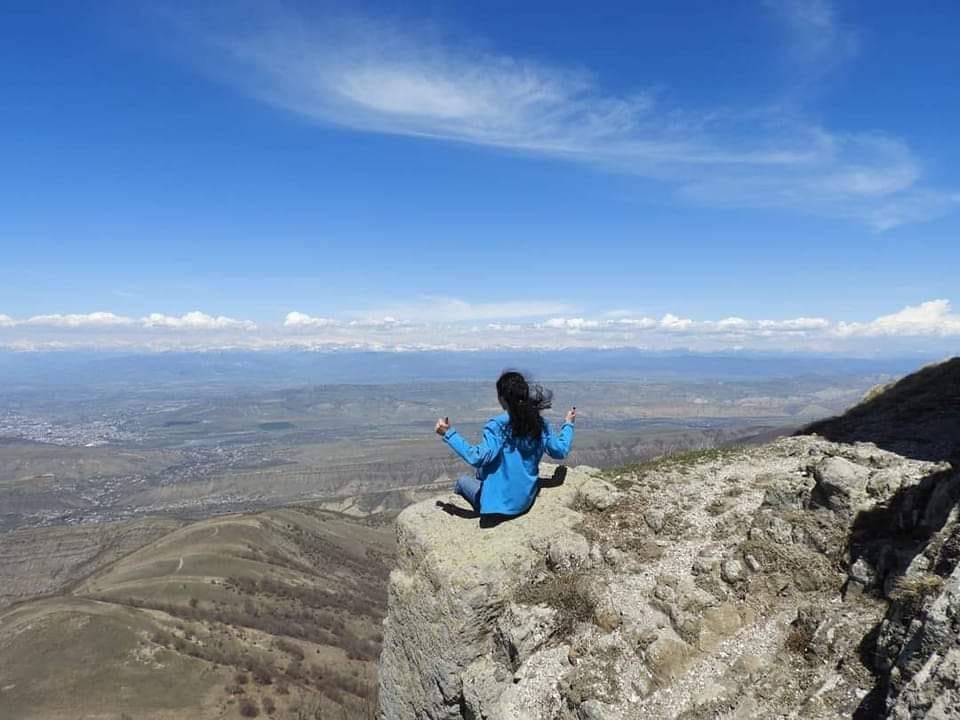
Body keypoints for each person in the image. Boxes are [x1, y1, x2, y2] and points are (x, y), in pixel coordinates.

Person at [435, 370, 576, 519]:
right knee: (482, 472)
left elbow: (476, 457)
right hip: (524, 501)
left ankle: (468, 505)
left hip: (498, 508)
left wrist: (448, 434)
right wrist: (569, 424)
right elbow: (560, 451)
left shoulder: (498, 425)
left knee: (462, 481)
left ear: (502, 398)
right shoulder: (540, 423)